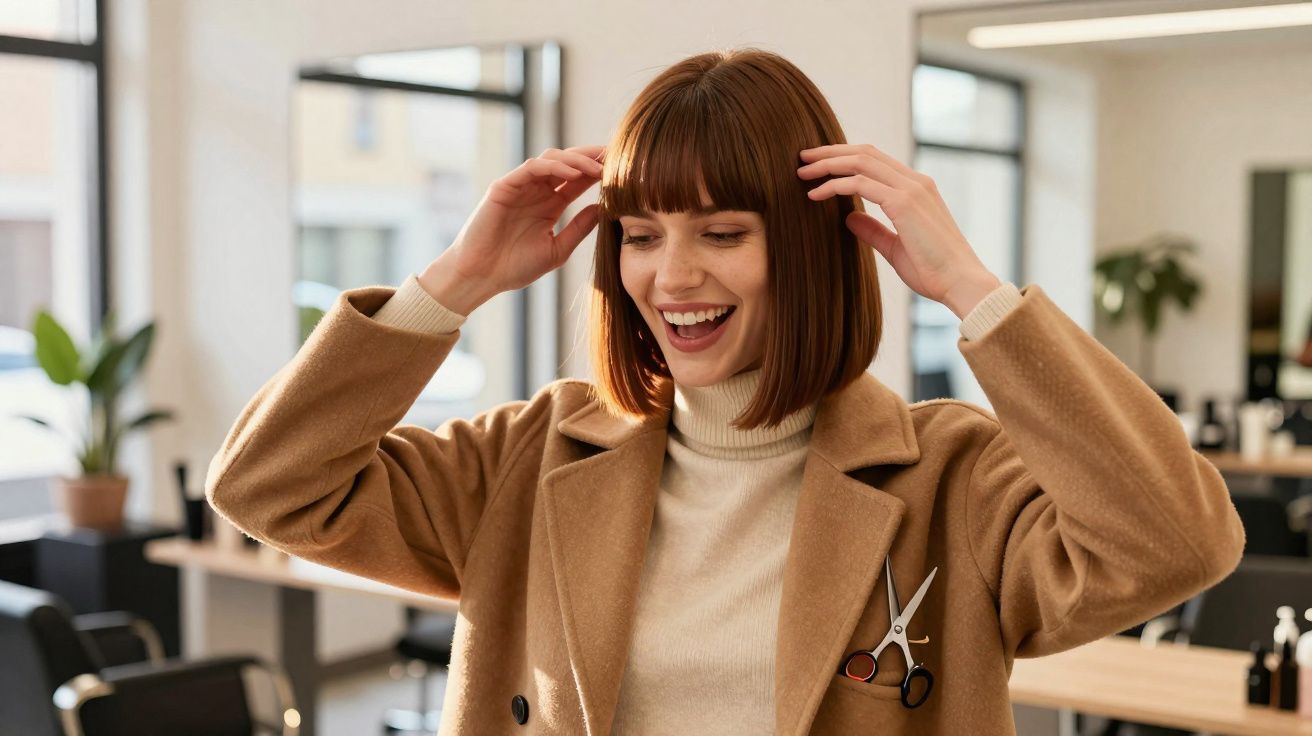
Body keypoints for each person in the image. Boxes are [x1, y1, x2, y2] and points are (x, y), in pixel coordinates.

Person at [206, 48, 1245, 735]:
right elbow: (269, 486)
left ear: (805, 248)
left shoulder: (948, 480)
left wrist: (969, 289)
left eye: (722, 233)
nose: (671, 277)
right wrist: (454, 283)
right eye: (642, 236)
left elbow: (1174, 543)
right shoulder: (529, 458)